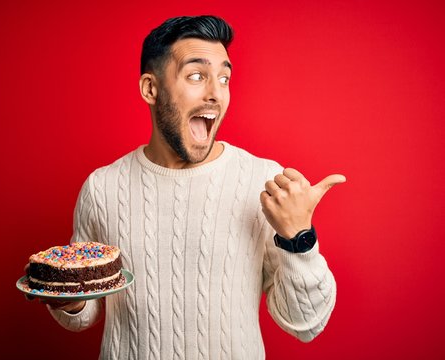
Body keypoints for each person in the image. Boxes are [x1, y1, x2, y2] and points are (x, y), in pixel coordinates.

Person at [32, 15, 345, 359]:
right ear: (151, 89)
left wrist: (299, 238)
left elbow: (306, 324)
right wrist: (69, 298)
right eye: (197, 76)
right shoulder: (103, 187)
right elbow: (84, 314)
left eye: (224, 78)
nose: (215, 93)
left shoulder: (263, 182)